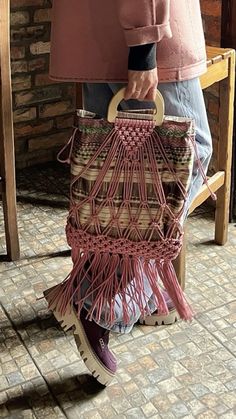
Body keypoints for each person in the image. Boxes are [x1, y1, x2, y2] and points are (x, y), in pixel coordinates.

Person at [45, 0, 213, 386]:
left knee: (117, 175)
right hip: (145, 32)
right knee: (191, 154)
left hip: (98, 33)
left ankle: (118, 286)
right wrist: (144, 43)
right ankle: (96, 299)